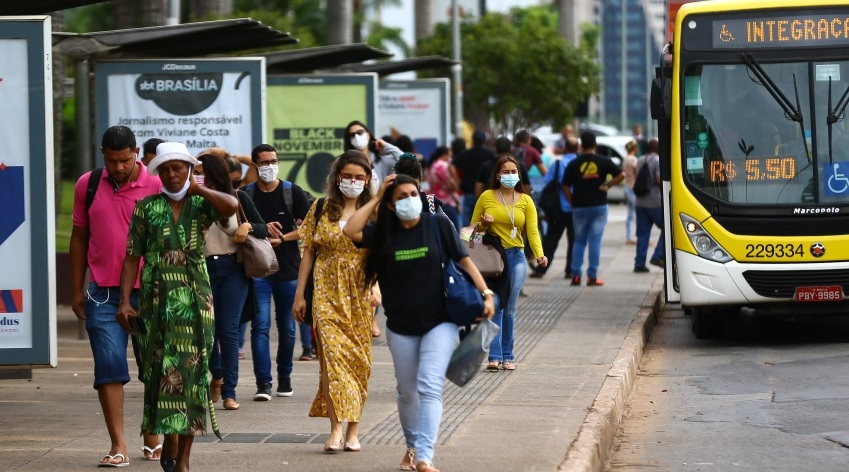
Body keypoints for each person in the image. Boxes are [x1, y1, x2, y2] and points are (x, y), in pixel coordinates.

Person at [343, 174, 495, 472]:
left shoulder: (437, 225)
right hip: (400, 326)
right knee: (407, 391)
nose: (410, 200)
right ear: (390, 203)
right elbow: (351, 229)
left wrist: (486, 293)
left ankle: (424, 455)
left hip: (440, 321)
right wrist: (376, 197)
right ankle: (412, 448)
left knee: (429, 387)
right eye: (401, 196)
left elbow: (464, 259)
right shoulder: (383, 234)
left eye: (414, 193)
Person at [117, 142, 238, 472]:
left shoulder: (201, 203)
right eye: (166, 169)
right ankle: (168, 438)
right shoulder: (146, 207)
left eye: (178, 168)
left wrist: (198, 188)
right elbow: (131, 258)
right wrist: (125, 301)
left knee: (193, 373)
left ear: (188, 169)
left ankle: (183, 459)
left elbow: (231, 206)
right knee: (158, 374)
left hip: (195, 299)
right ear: (158, 173)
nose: (172, 174)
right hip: (155, 300)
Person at [69, 125, 162, 466]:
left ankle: (152, 431)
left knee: (153, 366)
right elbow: (79, 237)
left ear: (136, 153)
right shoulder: (88, 184)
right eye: (112, 161)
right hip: (102, 293)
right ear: (102, 156)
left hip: (149, 292)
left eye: (124, 160)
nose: (119, 168)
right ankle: (118, 444)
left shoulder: (156, 184)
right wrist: (76, 289)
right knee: (108, 367)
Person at [292, 150, 378, 453]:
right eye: (347, 176)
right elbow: (308, 252)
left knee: (357, 363)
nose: (352, 182)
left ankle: (354, 430)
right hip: (326, 293)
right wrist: (300, 294)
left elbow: (378, 255)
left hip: (360, 295)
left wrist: (377, 287)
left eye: (359, 177)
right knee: (331, 362)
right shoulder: (319, 208)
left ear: (367, 179)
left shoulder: (374, 212)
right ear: (337, 177)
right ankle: (336, 429)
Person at [197, 152, 268, 411]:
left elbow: (261, 227)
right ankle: (217, 375)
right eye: (195, 173)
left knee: (227, 331)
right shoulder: (191, 200)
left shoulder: (238, 197)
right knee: (207, 331)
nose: (198, 177)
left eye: (202, 172)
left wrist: (246, 227)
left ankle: (229, 391)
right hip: (201, 268)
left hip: (232, 269)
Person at [243, 143, 313, 399]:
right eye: (264, 162)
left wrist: (284, 238)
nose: (270, 166)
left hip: (289, 271)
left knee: (288, 328)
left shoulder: (291, 191)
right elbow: (236, 227)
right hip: (258, 270)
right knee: (259, 327)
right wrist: (257, 228)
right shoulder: (246, 194)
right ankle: (264, 383)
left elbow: (309, 228)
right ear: (254, 166)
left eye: (273, 161)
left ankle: (285, 376)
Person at [472, 155, 547, 371]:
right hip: (493, 259)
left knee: (509, 308)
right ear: (497, 175)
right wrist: (484, 225)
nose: (510, 175)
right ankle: (494, 357)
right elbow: (470, 232)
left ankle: (508, 356)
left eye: (513, 172)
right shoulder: (486, 197)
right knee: (496, 306)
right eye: (505, 172)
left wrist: (540, 254)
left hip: (516, 256)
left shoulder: (525, 200)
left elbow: (532, 231)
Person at [562, 131, 625, 287]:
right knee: (595, 241)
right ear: (595, 144)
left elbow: (565, 185)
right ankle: (592, 277)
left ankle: (576, 276)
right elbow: (621, 174)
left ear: (581, 146)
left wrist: (571, 201)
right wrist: (607, 185)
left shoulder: (574, 163)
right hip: (599, 206)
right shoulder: (603, 161)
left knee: (579, 241)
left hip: (579, 207)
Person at [530, 136, 578, 279]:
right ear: (577, 149)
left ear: (564, 149)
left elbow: (547, 181)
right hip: (576, 209)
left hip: (559, 209)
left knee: (551, 239)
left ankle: (541, 269)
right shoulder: (579, 163)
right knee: (574, 240)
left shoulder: (558, 164)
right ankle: (570, 270)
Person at [344, 120, 403, 195]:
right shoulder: (344, 162)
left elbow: (408, 162)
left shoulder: (382, 161)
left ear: (368, 135)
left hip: (380, 205)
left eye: (360, 132)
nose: (356, 136)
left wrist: (387, 147)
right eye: (352, 135)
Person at [634, 138, 666, 272]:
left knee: (642, 233)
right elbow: (658, 179)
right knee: (668, 227)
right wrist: (664, 192)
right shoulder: (657, 160)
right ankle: (658, 255)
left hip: (640, 202)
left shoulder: (640, 159)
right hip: (654, 202)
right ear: (658, 148)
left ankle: (639, 264)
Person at [452, 130, 496, 226]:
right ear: (484, 140)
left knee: (467, 221)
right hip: (485, 193)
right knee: (483, 220)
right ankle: (479, 240)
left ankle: (467, 240)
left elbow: (452, 165)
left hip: (468, 191)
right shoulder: (490, 154)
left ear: (472, 140)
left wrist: (457, 181)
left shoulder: (465, 154)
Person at [426, 145, 461, 227]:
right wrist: (454, 176)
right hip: (446, 202)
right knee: (453, 232)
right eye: (450, 155)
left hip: (435, 202)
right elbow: (452, 187)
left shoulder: (432, 166)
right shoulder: (443, 166)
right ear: (445, 155)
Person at [622, 140, 639, 245]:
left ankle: (629, 236)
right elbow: (638, 172)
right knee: (635, 213)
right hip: (633, 187)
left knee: (630, 213)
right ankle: (634, 236)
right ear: (634, 149)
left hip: (627, 186)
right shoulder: (633, 160)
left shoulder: (625, 159)